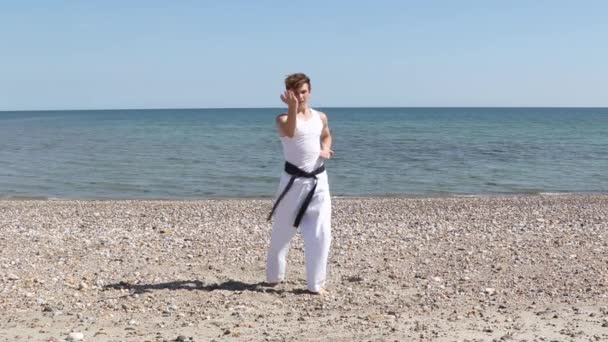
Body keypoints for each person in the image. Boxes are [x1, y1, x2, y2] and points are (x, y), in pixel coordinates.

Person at [266, 73, 333, 295]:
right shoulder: (282, 119)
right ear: (287, 94)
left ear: (310, 92)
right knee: (282, 234)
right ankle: (274, 276)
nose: (300, 96)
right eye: (295, 93)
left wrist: (325, 149)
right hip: (292, 183)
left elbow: (326, 136)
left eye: (303, 92)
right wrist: (292, 108)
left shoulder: (320, 117)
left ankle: (315, 284)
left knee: (321, 233)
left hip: (318, 181)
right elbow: (291, 133)